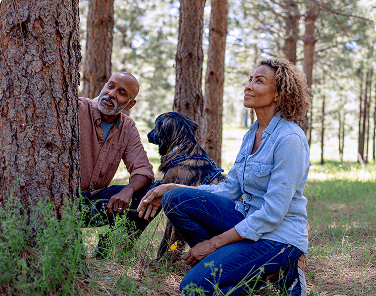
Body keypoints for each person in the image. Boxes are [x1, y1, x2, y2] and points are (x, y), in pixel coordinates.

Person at [138, 58, 310, 295]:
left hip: (279, 238)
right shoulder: (252, 134)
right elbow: (230, 189)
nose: (248, 86)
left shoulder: (290, 139)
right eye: (250, 79)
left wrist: (212, 244)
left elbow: (272, 214)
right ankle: (256, 274)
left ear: (279, 94)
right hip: (246, 221)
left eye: (259, 81)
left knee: (193, 288)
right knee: (175, 200)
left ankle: (281, 267)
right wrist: (171, 187)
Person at [79, 72, 154, 258]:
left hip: (95, 202)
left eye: (121, 92)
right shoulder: (77, 108)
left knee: (152, 193)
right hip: (58, 203)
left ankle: (111, 248)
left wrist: (128, 189)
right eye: (110, 86)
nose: (111, 94)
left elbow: (143, 170)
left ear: (129, 104)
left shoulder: (127, 127)